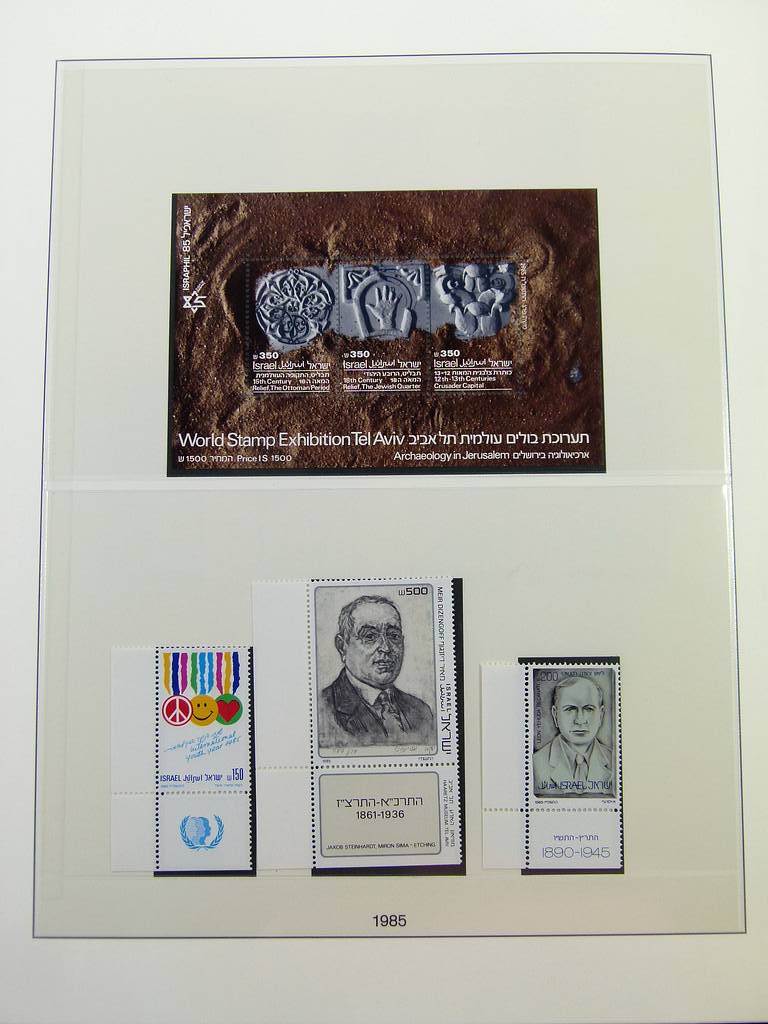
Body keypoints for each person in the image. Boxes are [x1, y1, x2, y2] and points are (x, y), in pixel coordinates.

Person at [318, 595, 434, 747]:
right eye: (370, 636)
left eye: (393, 636)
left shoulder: (421, 712)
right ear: (342, 647)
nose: (386, 648)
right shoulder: (323, 710)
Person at [533, 676, 614, 796]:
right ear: (555, 715)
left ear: (601, 715)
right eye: (570, 709)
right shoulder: (535, 765)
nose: (580, 720)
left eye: (589, 709)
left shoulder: (614, 761)